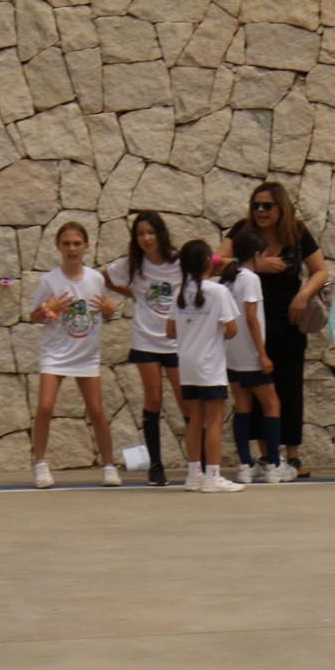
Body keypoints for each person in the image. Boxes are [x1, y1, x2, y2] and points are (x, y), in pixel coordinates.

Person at [220, 183, 328, 479]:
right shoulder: (243, 231)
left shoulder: (297, 232)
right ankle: (266, 454)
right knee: (255, 389)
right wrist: (256, 265)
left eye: (267, 206)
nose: (260, 211)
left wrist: (303, 295)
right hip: (251, 323)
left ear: (281, 207)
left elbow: (321, 271)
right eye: (256, 205)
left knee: (289, 387)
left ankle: (291, 455)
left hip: (289, 320)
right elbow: (217, 263)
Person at [27, 222, 120, 490]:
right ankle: (40, 464)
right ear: (58, 246)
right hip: (55, 352)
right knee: (45, 406)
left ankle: (109, 465)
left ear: (86, 246)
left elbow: (105, 310)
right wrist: (48, 308)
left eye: (77, 243)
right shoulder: (49, 280)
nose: (72, 249)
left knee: (97, 410)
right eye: (66, 244)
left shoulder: (96, 279)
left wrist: (110, 310)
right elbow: (33, 316)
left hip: (86, 355)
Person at [105, 211, 187, 486]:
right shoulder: (133, 265)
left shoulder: (178, 261)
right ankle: (156, 465)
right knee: (153, 399)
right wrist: (133, 294)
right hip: (146, 340)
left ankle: (198, 462)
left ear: (160, 234)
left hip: (175, 339)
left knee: (185, 399)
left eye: (150, 232)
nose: (146, 238)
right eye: (140, 234)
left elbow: (207, 268)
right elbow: (105, 277)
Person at [163, 239, 241, 493]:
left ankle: (193, 474)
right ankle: (213, 476)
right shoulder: (219, 292)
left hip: (186, 364)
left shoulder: (178, 293)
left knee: (195, 419)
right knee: (215, 419)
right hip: (210, 365)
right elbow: (231, 330)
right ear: (209, 261)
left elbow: (170, 331)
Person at [219, 229, 294, 485]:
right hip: (251, 354)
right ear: (255, 255)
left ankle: (245, 464)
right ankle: (272, 463)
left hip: (232, 354)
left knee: (242, 408)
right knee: (272, 405)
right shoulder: (250, 279)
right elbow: (252, 318)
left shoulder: (227, 279)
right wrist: (262, 354)